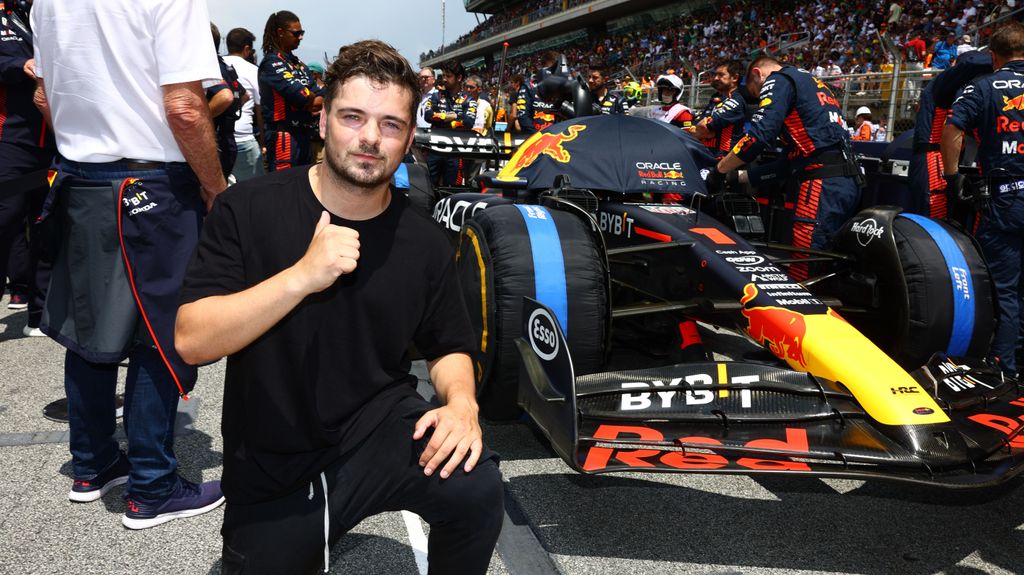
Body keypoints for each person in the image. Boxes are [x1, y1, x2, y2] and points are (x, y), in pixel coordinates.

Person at [175, 39, 503, 574]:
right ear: (324, 120)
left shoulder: (423, 242)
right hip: (274, 457)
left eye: (391, 124)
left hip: (379, 432)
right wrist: (301, 277)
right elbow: (192, 338)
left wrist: (462, 404)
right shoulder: (249, 209)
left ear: (409, 139)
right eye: (353, 117)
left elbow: (449, 345)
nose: (371, 138)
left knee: (477, 485)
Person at [31, 0, 227, 528]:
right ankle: (153, 486)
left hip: (79, 177)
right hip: (152, 182)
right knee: (159, 333)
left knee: (89, 329)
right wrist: (215, 189)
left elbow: (43, 95)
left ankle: (92, 464)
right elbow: (185, 108)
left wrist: (87, 145)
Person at [716, 56, 861, 281]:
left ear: (757, 74)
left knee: (804, 264)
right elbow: (792, 162)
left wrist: (720, 169)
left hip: (821, 182)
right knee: (825, 263)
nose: (760, 99)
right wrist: (740, 176)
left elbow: (759, 136)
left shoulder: (778, 79)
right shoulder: (812, 84)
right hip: (846, 181)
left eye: (756, 93)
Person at [941, 22, 1024, 378]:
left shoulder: (984, 85)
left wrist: (953, 175)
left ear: (994, 56)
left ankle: (1003, 364)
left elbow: (952, 129)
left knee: (1003, 286)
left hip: (1008, 198)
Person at [0, 0, 55, 336]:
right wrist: (22, 63)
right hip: (11, 142)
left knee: (47, 227)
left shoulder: (43, 16)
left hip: (54, 144)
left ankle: (40, 314)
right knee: (4, 221)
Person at [908, 50, 992, 219]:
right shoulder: (943, 82)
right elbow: (971, 63)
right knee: (934, 221)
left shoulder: (957, 92)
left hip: (942, 160)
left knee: (944, 219)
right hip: (932, 160)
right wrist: (1007, 58)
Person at [258, 10, 324, 172]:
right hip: (284, 137)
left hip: (304, 135)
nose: (300, 37)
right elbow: (304, 98)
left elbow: (321, 98)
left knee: (303, 187)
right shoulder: (272, 63)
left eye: (302, 33)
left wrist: (311, 98)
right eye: (296, 33)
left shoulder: (299, 64)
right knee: (283, 190)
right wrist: (309, 99)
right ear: (280, 33)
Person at [223, 27, 266, 183]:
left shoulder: (217, 65)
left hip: (219, 138)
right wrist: (262, 142)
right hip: (243, 138)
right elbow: (259, 109)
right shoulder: (253, 70)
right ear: (247, 49)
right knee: (256, 191)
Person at [207, 23, 247, 179]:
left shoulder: (209, 68)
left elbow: (225, 97)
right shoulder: (224, 66)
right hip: (227, 139)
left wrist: (199, 120)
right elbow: (243, 95)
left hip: (215, 144)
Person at [423, 59, 466, 185]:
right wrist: (450, 117)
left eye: (449, 76)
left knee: (452, 188)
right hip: (434, 149)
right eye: (443, 76)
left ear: (459, 77)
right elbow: (428, 115)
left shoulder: (467, 99)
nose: (445, 79)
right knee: (428, 186)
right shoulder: (436, 96)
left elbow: (468, 121)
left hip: (455, 151)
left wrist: (441, 118)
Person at [693, 60, 748, 158]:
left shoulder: (736, 101)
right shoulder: (715, 98)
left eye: (721, 75)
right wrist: (700, 130)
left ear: (735, 78)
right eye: (715, 75)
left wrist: (699, 131)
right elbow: (696, 123)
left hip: (723, 160)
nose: (716, 78)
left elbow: (705, 127)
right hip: (706, 154)